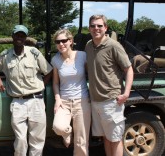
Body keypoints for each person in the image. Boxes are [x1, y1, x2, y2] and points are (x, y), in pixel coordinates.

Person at [0, 24, 53, 156]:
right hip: (18, 103)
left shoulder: (34, 53)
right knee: (21, 139)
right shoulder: (5, 55)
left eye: (22, 35)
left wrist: (40, 87)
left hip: (36, 101)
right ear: (12, 36)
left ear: (25, 38)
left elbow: (49, 71)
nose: (19, 37)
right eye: (17, 35)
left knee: (37, 140)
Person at [85, 14, 134, 156]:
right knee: (106, 138)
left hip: (111, 101)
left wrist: (126, 93)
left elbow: (128, 69)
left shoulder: (114, 46)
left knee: (116, 139)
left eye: (100, 25)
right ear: (89, 28)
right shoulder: (89, 45)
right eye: (93, 26)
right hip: (95, 101)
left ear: (105, 27)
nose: (96, 28)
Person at [51, 28, 91, 156]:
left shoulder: (82, 56)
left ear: (71, 41)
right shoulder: (55, 60)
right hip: (64, 101)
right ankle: (67, 134)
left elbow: (91, 74)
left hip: (82, 101)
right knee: (58, 127)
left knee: (81, 140)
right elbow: (55, 82)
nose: (61, 44)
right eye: (58, 42)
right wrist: (57, 99)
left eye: (64, 41)